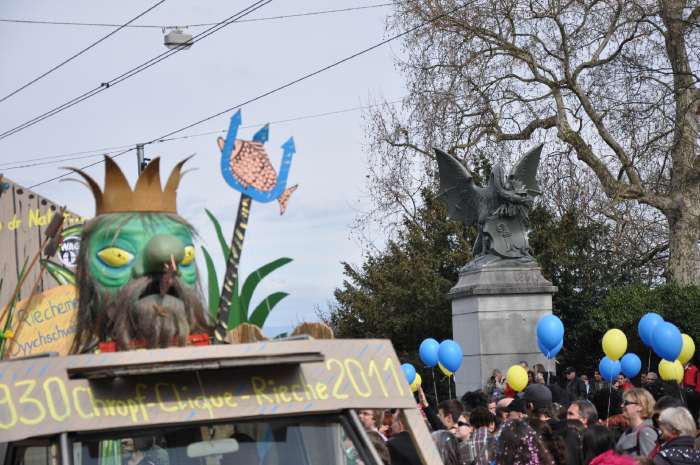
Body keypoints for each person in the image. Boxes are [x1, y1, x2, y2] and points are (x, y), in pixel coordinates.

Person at [615, 388, 658, 457]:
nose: (622, 405)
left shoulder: (646, 432)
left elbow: (650, 462)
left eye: (626, 403)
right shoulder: (629, 430)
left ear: (640, 406)